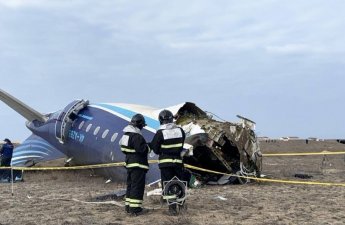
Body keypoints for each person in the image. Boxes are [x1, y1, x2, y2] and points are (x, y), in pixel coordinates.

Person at [150, 109, 186, 215]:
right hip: (178, 162)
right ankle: (182, 206)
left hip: (166, 163)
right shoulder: (180, 131)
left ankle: (172, 209)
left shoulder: (160, 133)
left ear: (161, 120)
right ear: (172, 119)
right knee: (180, 183)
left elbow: (155, 149)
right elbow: (181, 145)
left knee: (168, 184)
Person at [119, 114, 150, 216]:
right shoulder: (137, 136)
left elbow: (123, 149)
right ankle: (135, 209)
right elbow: (142, 150)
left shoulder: (125, 135)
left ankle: (128, 207)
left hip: (129, 164)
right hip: (138, 165)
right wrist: (149, 147)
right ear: (139, 124)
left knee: (131, 186)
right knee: (137, 187)